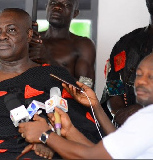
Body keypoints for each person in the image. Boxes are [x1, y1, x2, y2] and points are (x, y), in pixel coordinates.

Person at [0, 8, 102, 159]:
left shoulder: (55, 76)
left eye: (11, 30)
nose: (2, 36)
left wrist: (51, 142)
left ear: (29, 35)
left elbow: (80, 129)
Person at [19, 53, 153, 159]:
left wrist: (45, 135)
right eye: (139, 74)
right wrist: (72, 129)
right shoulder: (144, 118)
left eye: (150, 77)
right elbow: (118, 147)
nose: (141, 81)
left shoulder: (147, 120)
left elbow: (93, 156)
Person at [100, 0, 153, 127]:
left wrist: (142, 112)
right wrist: (120, 112)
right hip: (125, 129)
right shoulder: (126, 43)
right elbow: (113, 84)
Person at [29, 0, 96, 88]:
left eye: (66, 4)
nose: (57, 7)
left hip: (63, 102)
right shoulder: (31, 39)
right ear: (46, 7)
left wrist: (49, 60)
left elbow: (86, 89)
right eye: (53, 2)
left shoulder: (83, 45)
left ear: (75, 13)